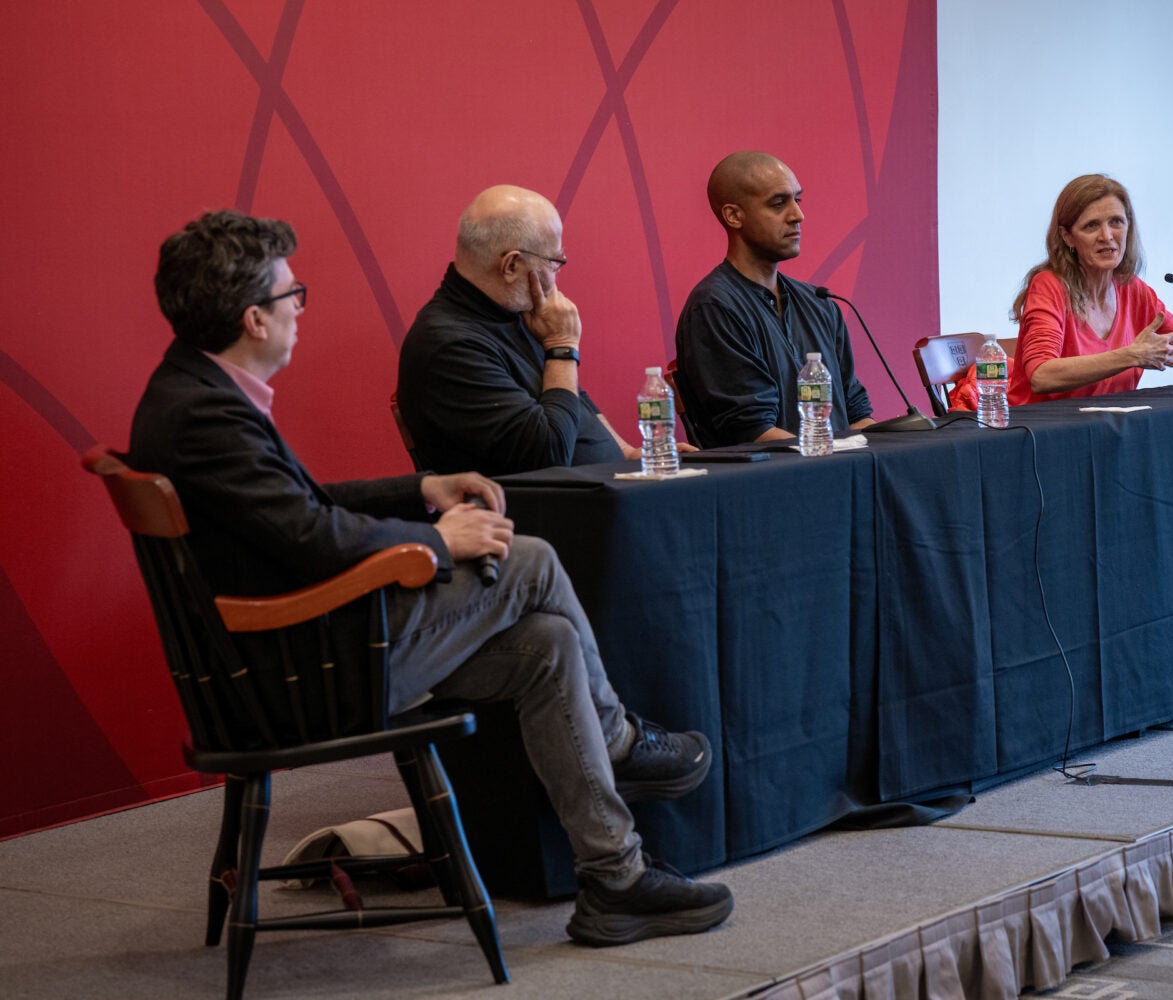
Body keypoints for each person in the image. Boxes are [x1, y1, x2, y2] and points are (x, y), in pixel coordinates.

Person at [131, 209, 732, 947]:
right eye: (295, 296)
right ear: (255, 319)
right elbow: (311, 536)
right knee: (533, 559)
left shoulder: (193, 391)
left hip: (293, 654)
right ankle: (617, 739)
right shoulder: (204, 416)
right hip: (295, 674)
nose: (301, 309)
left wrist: (422, 490)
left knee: (548, 645)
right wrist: (437, 540)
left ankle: (616, 878)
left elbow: (298, 506)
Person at [398, 185, 687, 476]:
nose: (557, 276)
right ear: (511, 265)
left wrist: (625, 452)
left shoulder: (508, 311)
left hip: (597, 492)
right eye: (554, 261)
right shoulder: (449, 346)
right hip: (536, 514)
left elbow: (568, 397)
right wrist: (562, 346)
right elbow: (548, 456)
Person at [950, 173, 1173, 410]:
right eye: (1091, 226)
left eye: (1116, 222)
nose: (1107, 236)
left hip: (1110, 431)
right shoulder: (1049, 286)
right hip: (1041, 435)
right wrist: (1132, 355)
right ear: (1067, 237)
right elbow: (1041, 375)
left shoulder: (1134, 290)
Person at [674, 151, 875, 448]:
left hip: (836, 471)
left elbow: (856, 411)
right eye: (778, 203)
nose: (798, 215)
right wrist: (836, 458)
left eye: (798, 200)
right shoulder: (715, 308)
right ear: (734, 216)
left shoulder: (819, 303)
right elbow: (752, 431)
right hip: (768, 484)